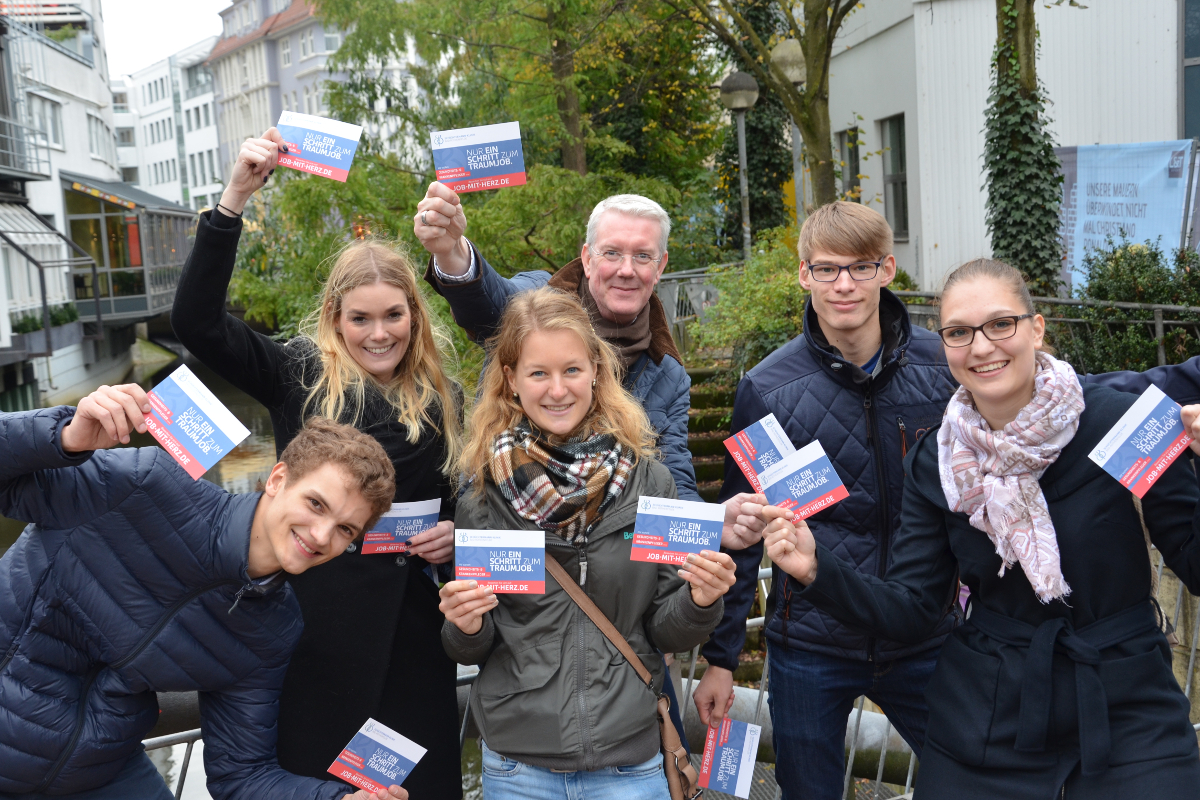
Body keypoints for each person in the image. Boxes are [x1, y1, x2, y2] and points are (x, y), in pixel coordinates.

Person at [762, 258, 1200, 797]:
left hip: (1128, 705)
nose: (982, 346)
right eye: (959, 332)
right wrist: (816, 569)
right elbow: (914, 608)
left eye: (1001, 324)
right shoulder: (938, 460)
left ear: (1036, 328)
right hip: (990, 713)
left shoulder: (1123, 421)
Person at [172, 129, 464, 797]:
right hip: (313, 640)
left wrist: (457, 535)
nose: (379, 333)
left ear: (415, 316)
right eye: (360, 319)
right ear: (335, 317)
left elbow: (462, 501)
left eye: (393, 316)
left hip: (413, 646)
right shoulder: (295, 372)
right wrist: (234, 199)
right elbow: (197, 323)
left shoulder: (445, 396)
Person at [0, 385, 408, 800]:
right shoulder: (143, 485)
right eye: (316, 504)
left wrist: (338, 799)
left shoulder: (274, 627)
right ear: (277, 479)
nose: (321, 535)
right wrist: (65, 437)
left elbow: (241, 775)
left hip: (95, 771)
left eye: (345, 529)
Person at [692, 201, 962, 798]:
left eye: (861, 267)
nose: (844, 284)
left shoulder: (943, 367)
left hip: (926, 635)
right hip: (812, 643)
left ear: (887, 269)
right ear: (804, 275)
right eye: (827, 268)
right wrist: (722, 658)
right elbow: (743, 530)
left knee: (973, 781)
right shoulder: (768, 388)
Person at [438, 287, 737, 797]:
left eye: (571, 370)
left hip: (629, 764)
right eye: (538, 373)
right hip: (517, 769)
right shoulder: (483, 496)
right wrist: (463, 624)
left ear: (596, 370)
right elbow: (475, 644)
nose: (557, 390)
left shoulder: (651, 482)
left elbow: (666, 632)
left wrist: (702, 600)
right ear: (510, 380)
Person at [414, 184, 766, 546]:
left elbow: (671, 478)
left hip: (606, 557)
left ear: (660, 266)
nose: (626, 270)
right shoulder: (534, 300)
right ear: (587, 257)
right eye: (611, 253)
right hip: (508, 544)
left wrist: (710, 523)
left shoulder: (668, 374)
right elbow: (485, 301)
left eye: (642, 256)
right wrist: (451, 251)